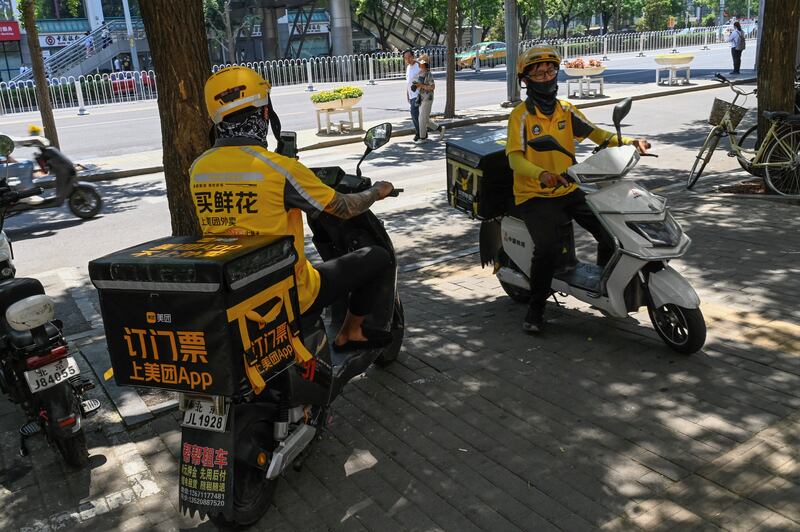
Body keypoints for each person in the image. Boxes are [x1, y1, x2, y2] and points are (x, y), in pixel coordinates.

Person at [191, 66, 396, 350]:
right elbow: (344, 208)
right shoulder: (281, 169)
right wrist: (377, 191)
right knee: (378, 257)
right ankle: (351, 332)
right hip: (290, 292)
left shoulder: (198, 169)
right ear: (265, 114)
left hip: (236, 290)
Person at [506, 45, 650, 333]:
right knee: (546, 250)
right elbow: (515, 158)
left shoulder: (566, 110)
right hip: (535, 195)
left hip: (568, 189)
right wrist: (542, 174)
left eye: (550, 71)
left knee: (612, 233)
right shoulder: (521, 116)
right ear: (526, 80)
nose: (546, 77)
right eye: (539, 73)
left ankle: (605, 290)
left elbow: (597, 134)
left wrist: (631, 142)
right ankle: (535, 311)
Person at [414, 54, 445, 143]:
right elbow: (419, 85)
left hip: (428, 98)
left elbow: (432, 87)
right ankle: (440, 129)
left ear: (424, 64)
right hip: (421, 97)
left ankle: (422, 138)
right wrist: (416, 86)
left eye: (420, 63)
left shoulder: (428, 74)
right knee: (425, 119)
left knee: (422, 118)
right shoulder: (420, 73)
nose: (419, 64)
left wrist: (421, 85)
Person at [403, 49, 421, 142]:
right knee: (418, 115)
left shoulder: (418, 65)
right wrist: (407, 94)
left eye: (409, 57)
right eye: (406, 58)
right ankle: (437, 128)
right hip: (411, 95)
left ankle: (420, 133)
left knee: (414, 113)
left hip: (418, 94)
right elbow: (408, 82)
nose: (408, 59)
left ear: (413, 56)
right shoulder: (408, 67)